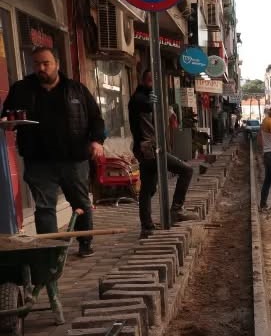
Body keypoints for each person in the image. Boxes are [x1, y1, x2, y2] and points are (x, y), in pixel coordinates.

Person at [0, 47, 105, 257]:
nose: (41, 68)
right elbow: (8, 115)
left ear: (57, 64)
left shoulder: (76, 89)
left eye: (46, 63)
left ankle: (85, 243)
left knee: (81, 203)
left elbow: (96, 119)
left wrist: (96, 141)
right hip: (38, 160)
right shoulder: (22, 89)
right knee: (44, 207)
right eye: (37, 64)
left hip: (74, 159)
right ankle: (50, 251)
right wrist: (7, 123)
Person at [128, 70, 196, 239]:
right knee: (186, 170)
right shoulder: (139, 98)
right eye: (150, 81)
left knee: (148, 189)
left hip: (150, 149)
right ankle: (176, 209)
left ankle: (147, 227)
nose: (153, 84)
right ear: (144, 81)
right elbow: (143, 105)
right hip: (148, 150)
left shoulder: (148, 97)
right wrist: (152, 103)